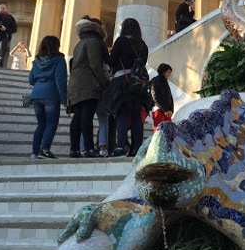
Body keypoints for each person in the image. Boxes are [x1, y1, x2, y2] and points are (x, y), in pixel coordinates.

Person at [68, 16, 110, 158]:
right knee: (86, 117)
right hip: (88, 85)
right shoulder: (93, 42)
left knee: (77, 118)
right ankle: (89, 149)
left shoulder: (79, 43)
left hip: (75, 84)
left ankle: (74, 149)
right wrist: (105, 82)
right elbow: (95, 65)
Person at [107, 18, 149, 157]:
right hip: (138, 85)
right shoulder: (143, 45)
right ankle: (137, 148)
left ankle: (120, 148)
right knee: (136, 116)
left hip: (122, 83)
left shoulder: (121, 41)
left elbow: (112, 61)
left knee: (122, 114)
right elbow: (143, 63)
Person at [28, 36, 68, 159]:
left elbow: (31, 79)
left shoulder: (37, 60)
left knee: (41, 124)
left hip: (36, 94)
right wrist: (64, 99)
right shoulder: (59, 60)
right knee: (51, 123)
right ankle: (45, 150)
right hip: (51, 94)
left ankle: (35, 152)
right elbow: (60, 80)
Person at [150, 63, 174, 129]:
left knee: (168, 131)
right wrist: (165, 110)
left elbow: (170, 96)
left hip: (167, 112)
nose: (170, 74)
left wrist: (171, 110)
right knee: (159, 131)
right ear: (163, 72)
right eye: (168, 72)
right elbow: (155, 97)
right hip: (158, 109)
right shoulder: (155, 81)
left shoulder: (165, 82)